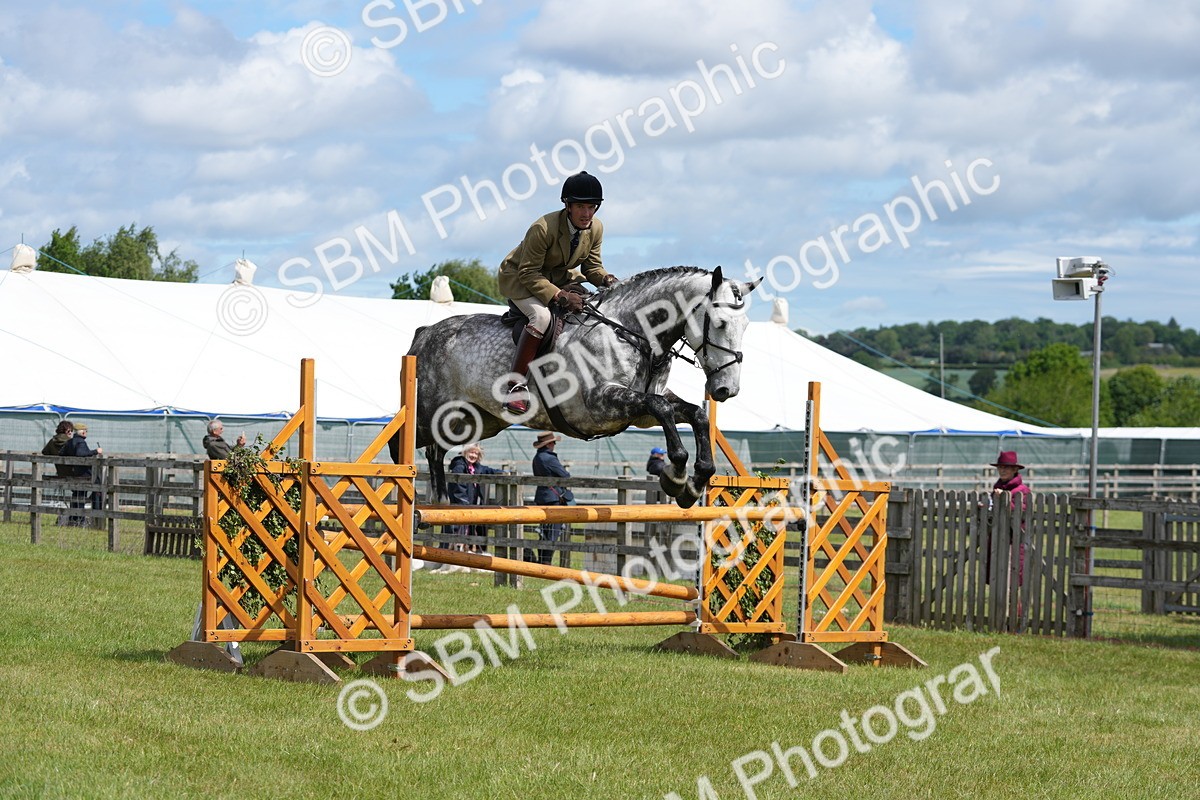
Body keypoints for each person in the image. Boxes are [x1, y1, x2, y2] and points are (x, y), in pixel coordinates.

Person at [497, 171, 619, 414]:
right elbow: (529, 273)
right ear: (568, 205)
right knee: (541, 318)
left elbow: (591, 267)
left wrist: (607, 279)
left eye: (592, 207)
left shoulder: (595, 228)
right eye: (581, 207)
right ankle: (515, 387)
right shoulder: (542, 228)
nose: (587, 214)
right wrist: (560, 296)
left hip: (557, 277)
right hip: (520, 278)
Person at [432, 443, 502, 574]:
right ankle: (450, 559)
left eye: (476, 453)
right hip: (459, 506)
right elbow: (459, 486)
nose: (473, 455)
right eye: (471, 452)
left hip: (470, 505)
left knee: (468, 531)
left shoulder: (476, 467)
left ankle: (466, 558)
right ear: (464, 452)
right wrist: (463, 503)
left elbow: (487, 470)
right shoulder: (459, 465)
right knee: (456, 531)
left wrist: (501, 473)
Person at [531, 432, 574, 566]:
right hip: (553, 498)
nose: (554, 445)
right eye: (554, 443)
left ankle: (542, 560)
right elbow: (565, 475)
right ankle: (546, 562)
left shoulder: (537, 457)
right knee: (553, 533)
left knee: (544, 531)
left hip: (542, 497)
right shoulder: (549, 458)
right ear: (549, 444)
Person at [60, 423, 103, 526]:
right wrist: (96, 451)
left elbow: (61, 453)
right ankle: (91, 517)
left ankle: (74, 518)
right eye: (86, 431)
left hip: (74, 474)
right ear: (83, 432)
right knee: (97, 489)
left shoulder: (69, 442)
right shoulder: (81, 442)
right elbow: (80, 454)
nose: (86, 433)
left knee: (77, 495)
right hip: (84, 475)